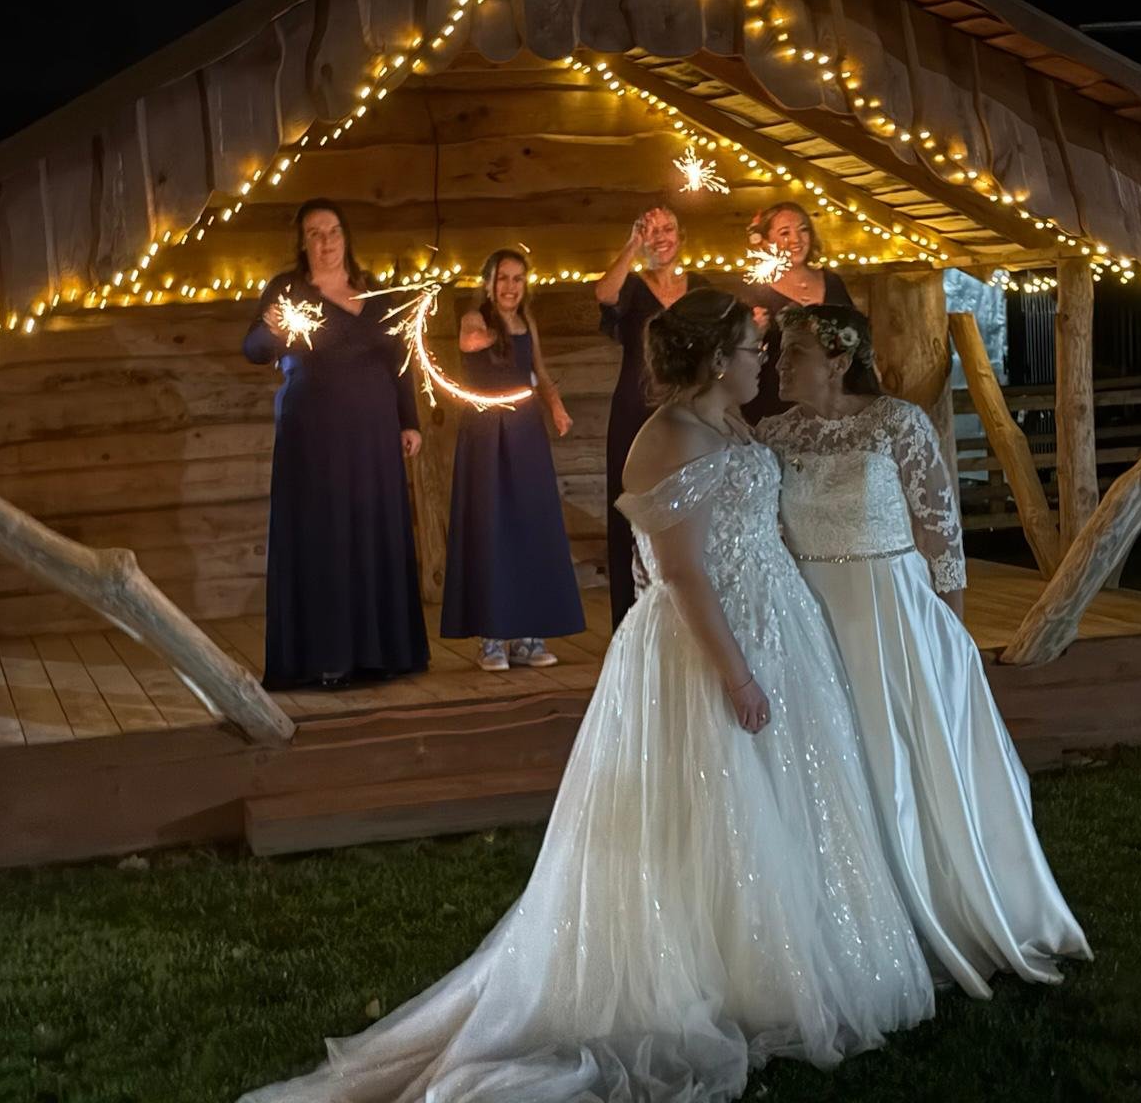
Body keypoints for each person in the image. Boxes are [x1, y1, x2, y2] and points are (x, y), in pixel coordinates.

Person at [238, 289, 933, 1103]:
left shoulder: (732, 424)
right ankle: (703, 974)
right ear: (716, 358)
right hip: (705, 650)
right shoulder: (666, 437)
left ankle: (773, 967)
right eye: (751, 349)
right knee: (710, 809)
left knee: (781, 803)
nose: (761, 363)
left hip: (776, 628)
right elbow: (678, 574)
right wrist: (736, 675)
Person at [759, 303, 1092, 997]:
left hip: (889, 609)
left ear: (839, 361)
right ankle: (845, 918)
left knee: (902, 755)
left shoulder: (896, 425)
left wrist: (949, 634)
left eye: (792, 353)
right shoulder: (773, 434)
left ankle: (934, 904)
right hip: (807, 611)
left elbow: (942, 533)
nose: (777, 365)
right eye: (777, 353)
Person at [242, 198, 428, 689]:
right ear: (303, 242)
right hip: (314, 438)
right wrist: (270, 329)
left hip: (372, 438)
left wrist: (408, 421)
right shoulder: (288, 290)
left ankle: (381, 651)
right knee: (324, 539)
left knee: (373, 532)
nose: (325, 242)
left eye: (332, 231)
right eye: (314, 233)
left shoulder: (375, 291)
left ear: (346, 236)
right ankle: (326, 655)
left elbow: (400, 360)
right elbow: (254, 350)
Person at [440, 249, 585, 670]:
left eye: (518, 279)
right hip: (486, 435)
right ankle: (492, 638)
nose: (510, 287)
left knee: (529, 525)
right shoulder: (476, 318)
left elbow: (536, 370)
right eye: (503, 278)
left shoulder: (527, 322)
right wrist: (495, 334)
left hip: (524, 433)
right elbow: (469, 342)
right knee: (491, 527)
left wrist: (555, 407)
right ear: (489, 282)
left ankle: (528, 635)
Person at [594, 204, 709, 629]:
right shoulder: (633, 287)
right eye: (651, 229)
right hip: (635, 409)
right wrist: (631, 245)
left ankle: (689, 611)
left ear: (682, 236)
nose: (660, 235)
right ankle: (633, 619)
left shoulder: (700, 287)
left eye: (668, 228)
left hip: (689, 411)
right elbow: (603, 295)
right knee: (632, 506)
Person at [740, 201, 856, 425]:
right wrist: (754, 334)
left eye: (803, 229)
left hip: (835, 404)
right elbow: (739, 356)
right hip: (779, 407)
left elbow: (855, 335)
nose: (796, 239)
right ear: (765, 242)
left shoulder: (832, 281)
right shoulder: (756, 291)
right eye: (785, 233)